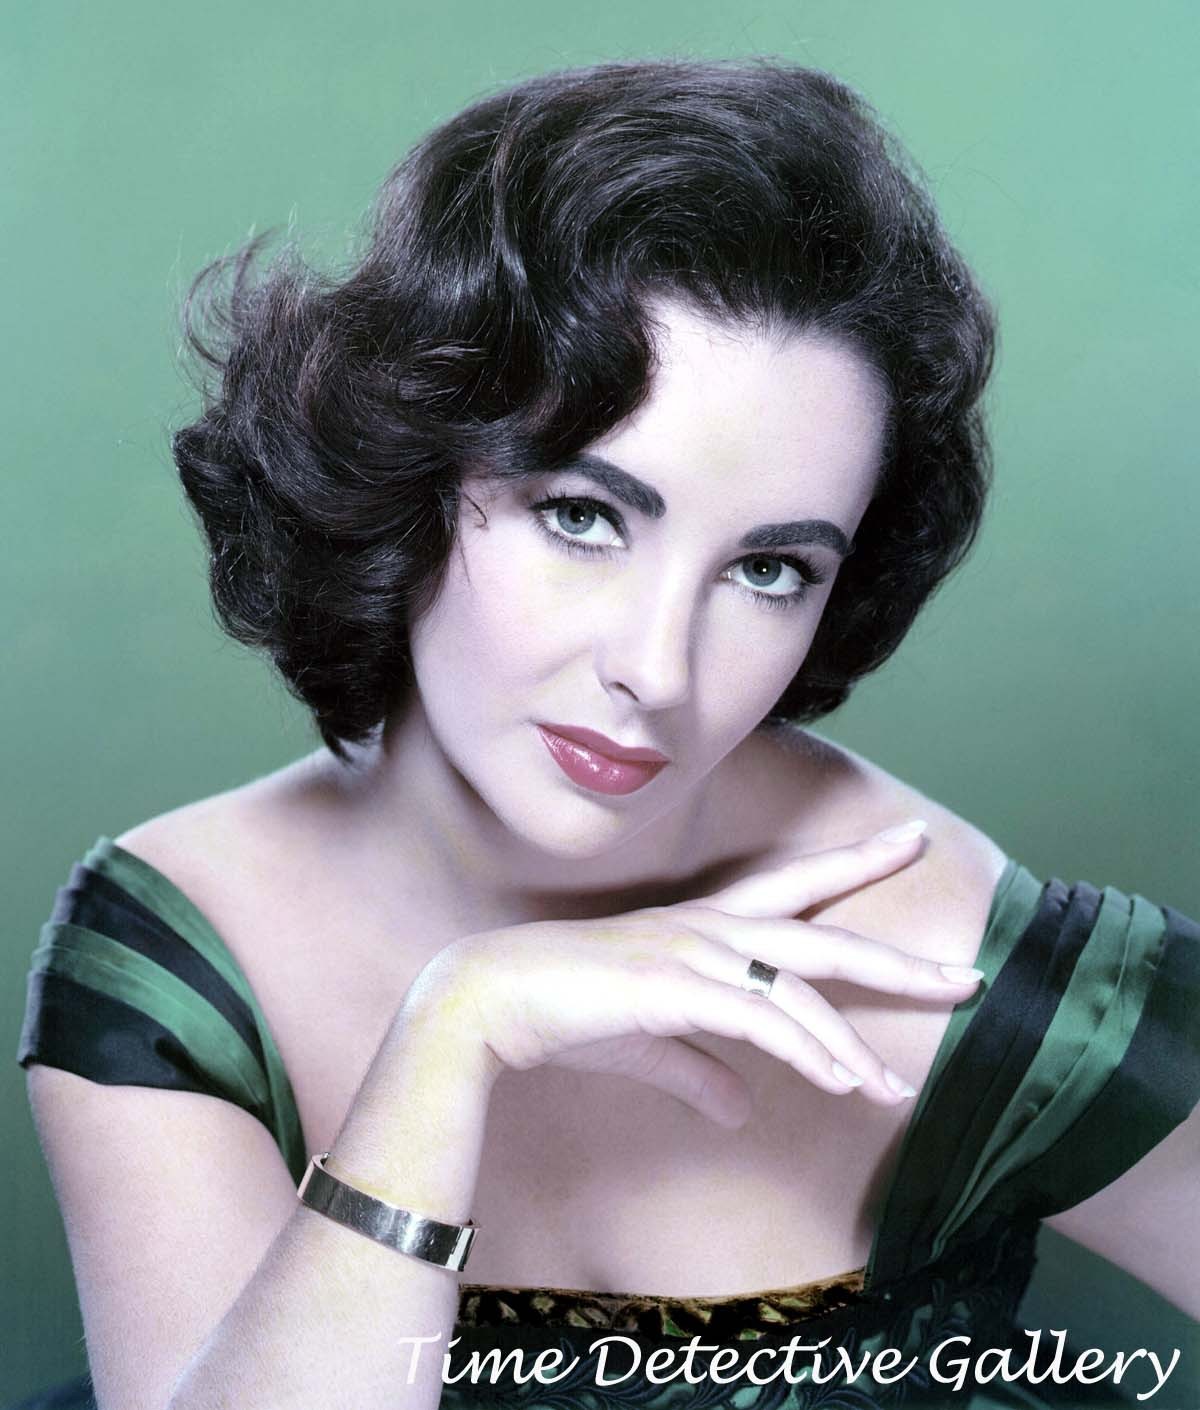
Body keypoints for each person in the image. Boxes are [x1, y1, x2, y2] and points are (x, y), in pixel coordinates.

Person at [14, 58, 1198, 1410]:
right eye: (583, 516)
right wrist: (450, 1035)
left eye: (769, 569)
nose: (658, 669)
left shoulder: (945, 959)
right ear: (407, 470)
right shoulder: (181, 951)